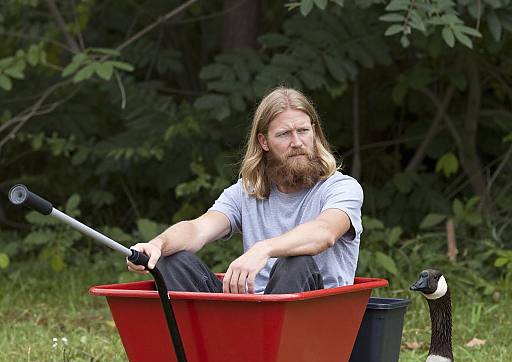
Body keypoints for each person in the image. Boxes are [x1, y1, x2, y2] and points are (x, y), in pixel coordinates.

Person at [127, 87, 363, 294]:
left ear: (314, 132)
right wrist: (158, 244)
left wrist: (264, 248)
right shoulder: (245, 192)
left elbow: (324, 233)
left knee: (295, 262)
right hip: (248, 318)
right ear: (264, 142)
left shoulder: (342, 188)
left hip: (313, 319)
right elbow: (198, 229)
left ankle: (269, 343)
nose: (297, 142)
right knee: (171, 260)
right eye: (284, 134)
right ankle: (203, 344)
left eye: (303, 131)